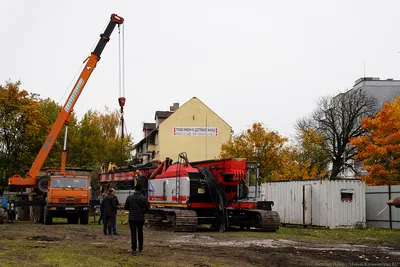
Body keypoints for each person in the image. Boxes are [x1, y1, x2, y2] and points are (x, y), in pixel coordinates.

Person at [124, 183, 150, 256]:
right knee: (140, 233)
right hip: (140, 218)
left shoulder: (129, 197)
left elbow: (126, 207)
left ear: (135, 189)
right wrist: (142, 212)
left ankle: (134, 249)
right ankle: (140, 247)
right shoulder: (144, 198)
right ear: (141, 189)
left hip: (132, 218)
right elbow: (148, 209)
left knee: (133, 234)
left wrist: (131, 209)